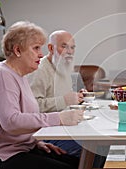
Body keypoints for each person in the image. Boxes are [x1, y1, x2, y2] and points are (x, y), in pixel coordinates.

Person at [0, 21, 83, 169]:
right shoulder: (1, 75)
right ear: (17, 50)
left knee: (79, 163)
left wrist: (35, 142)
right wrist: (59, 118)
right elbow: (11, 122)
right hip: (1, 155)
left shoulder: (20, 75)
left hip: (21, 148)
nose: (41, 54)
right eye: (36, 48)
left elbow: (23, 118)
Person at [27, 30, 108, 168]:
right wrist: (65, 100)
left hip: (64, 126)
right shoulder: (40, 70)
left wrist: (78, 96)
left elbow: (63, 99)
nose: (69, 51)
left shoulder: (64, 67)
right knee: (95, 147)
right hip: (46, 132)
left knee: (102, 142)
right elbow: (33, 107)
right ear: (51, 48)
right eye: (64, 46)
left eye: (72, 47)